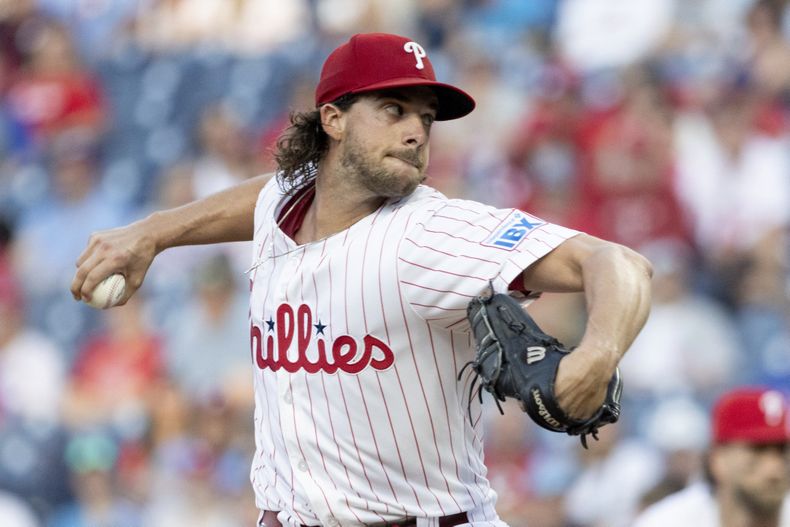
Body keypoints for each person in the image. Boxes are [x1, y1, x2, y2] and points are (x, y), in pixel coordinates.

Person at [71, 33, 652, 527]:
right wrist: (154, 232)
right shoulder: (287, 201)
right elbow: (270, 193)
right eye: (394, 110)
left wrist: (598, 354)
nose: (417, 132)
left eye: (425, 118)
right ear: (334, 119)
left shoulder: (431, 233)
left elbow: (619, 262)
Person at [632, 387, 790, 527]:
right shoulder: (667, 522)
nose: (774, 468)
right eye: (757, 450)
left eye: (782, 450)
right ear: (717, 460)